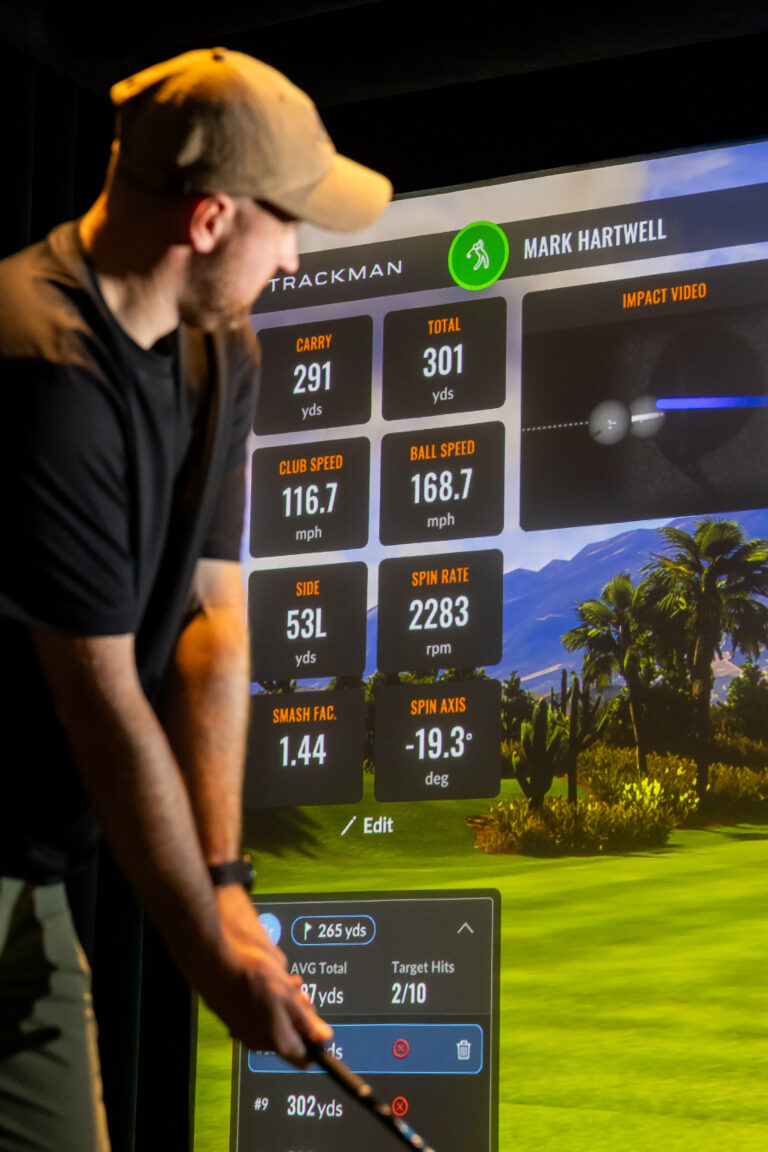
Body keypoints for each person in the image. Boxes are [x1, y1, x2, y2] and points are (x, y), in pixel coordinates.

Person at [0, 47, 391, 1151]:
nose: (297, 255)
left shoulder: (220, 350)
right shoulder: (39, 364)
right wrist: (210, 957)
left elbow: (213, 619)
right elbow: (103, 699)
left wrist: (226, 885)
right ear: (211, 220)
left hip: (30, 873)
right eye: (287, 222)